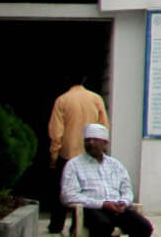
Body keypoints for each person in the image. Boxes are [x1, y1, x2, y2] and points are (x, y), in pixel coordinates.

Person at [59, 124, 151, 237]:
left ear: (105, 143)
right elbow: (68, 196)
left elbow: (127, 189)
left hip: (117, 209)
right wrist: (102, 204)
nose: (91, 143)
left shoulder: (115, 165)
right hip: (91, 210)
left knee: (144, 227)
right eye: (88, 140)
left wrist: (123, 202)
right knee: (103, 225)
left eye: (95, 140)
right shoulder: (73, 165)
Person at [46, 73, 110, 235]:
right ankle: (79, 225)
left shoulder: (62, 100)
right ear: (85, 80)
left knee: (62, 190)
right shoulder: (96, 99)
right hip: (89, 153)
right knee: (87, 190)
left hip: (68, 154)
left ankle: (56, 225)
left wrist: (54, 155)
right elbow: (104, 127)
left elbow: (56, 132)